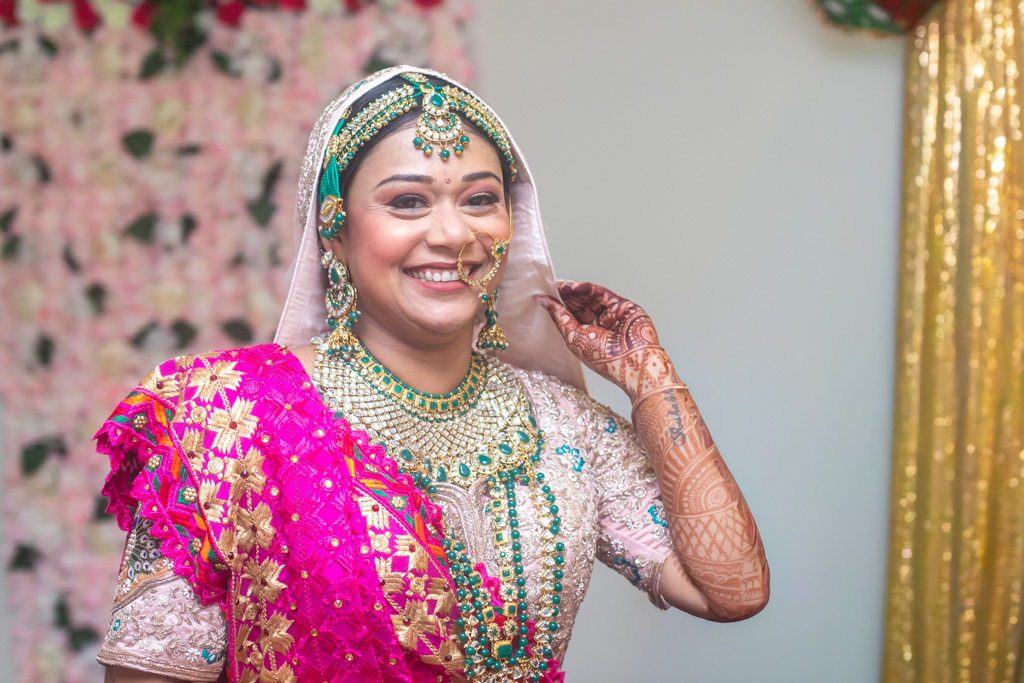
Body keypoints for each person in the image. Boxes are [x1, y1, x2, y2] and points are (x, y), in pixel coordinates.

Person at [95, 66, 769, 683]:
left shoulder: (562, 426)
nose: (453, 235)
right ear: (334, 231)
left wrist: (654, 380)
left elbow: (731, 589)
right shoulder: (228, 420)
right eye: (408, 202)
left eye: (479, 199)